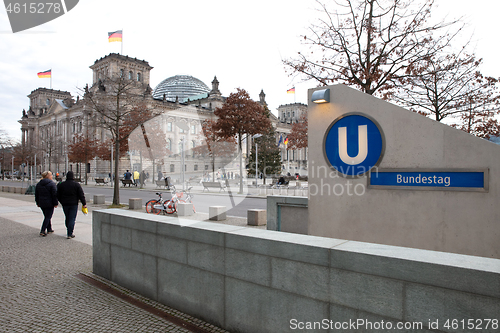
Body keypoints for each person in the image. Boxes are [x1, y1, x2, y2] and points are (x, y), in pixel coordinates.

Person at [57, 171, 87, 239]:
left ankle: (68, 229)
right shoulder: (76, 185)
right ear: (73, 177)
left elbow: (58, 194)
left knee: (67, 217)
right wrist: (84, 203)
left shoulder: (62, 184)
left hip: (65, 204)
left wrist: (61, 201)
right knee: (72, 218)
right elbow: (81, 195)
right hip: (74, 204)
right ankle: (70, 233)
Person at [35, 171, 58, 236]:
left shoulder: (39, 184)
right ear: (47, 176)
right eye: (51, 175)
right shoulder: (52, 184)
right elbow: (54, 194)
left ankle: (49, 229)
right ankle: (43, 230)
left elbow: (37, 194)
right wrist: (55, 203)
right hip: (49, 203)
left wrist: (37, 202)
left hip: (42, 202)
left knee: (46, 216)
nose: (52, 176)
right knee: (48, 217)